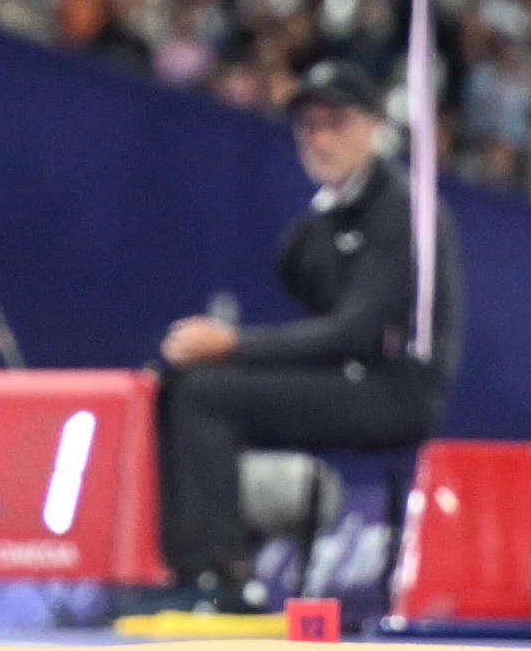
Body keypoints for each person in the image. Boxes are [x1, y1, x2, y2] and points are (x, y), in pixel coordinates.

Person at [140, 60, 463, 611]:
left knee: (206, 396)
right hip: (349, 375)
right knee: (181, 384)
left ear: (371, 126)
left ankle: (218, 577)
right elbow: (314, 303)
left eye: (334, 124)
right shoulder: (320, 225)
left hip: (395, 391)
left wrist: (234, 345)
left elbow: (354, 334)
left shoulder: (401, 210)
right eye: (307, 127)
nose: (318, 139)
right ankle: (189, 560)